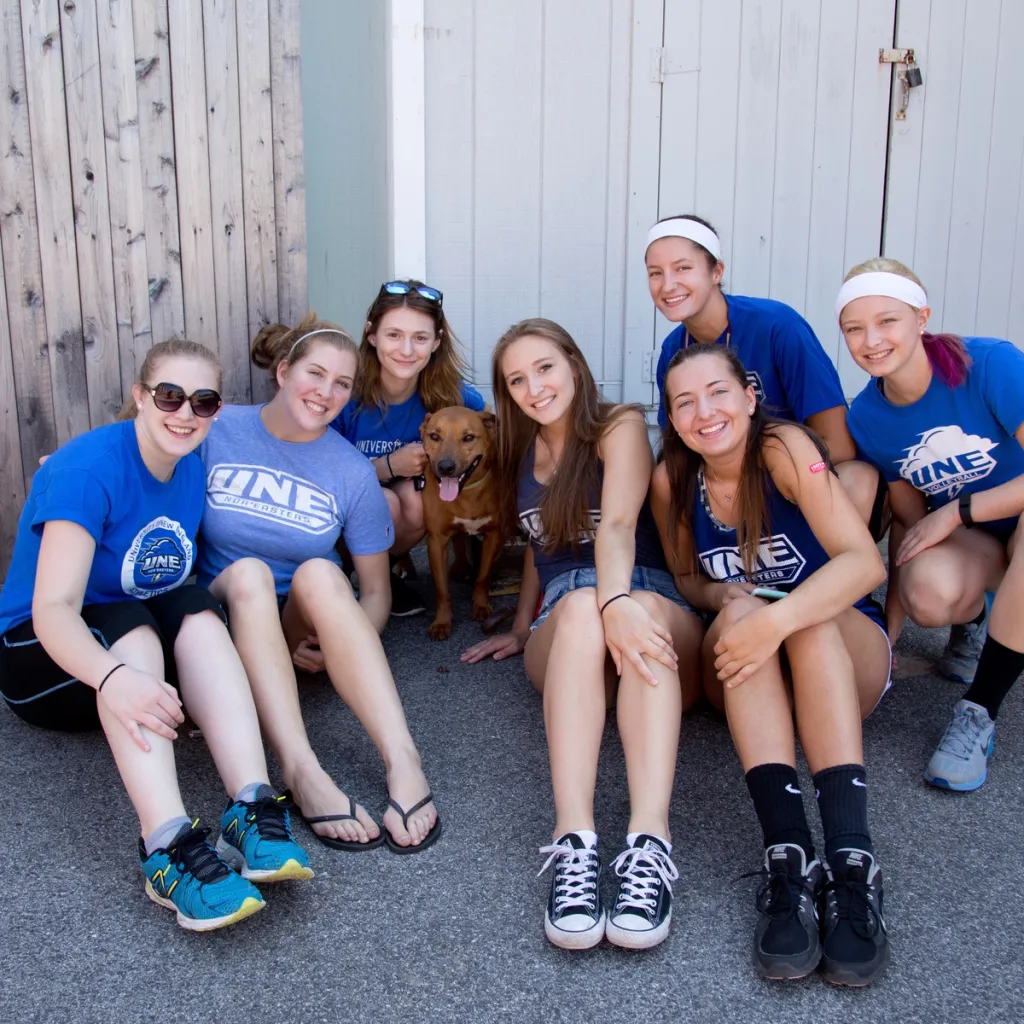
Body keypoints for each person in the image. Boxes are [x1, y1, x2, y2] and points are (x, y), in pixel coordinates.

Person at [0, 341, 312, 932]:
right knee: (137, 631)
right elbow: (54, 611)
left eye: (203, 400)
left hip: (121, 626)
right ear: (140, 398)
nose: (185, 412)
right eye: (170, 395)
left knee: (196, 611)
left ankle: (250, 804)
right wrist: (115, 678)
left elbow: (159, 577)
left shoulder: (187, 464)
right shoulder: (87, 470)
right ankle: (164, 846)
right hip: (36, 656)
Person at [651, 343, 891, 986]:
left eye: (719, 392)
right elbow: (684, 578)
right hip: (748, 665)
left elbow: (865, 563)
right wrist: (722, 595)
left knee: (800, 623)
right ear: (671, 419)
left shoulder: (783, 450)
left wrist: (777, 618)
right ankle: (788, 859)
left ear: (750, 397)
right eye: (685, 402)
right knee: (737, 616)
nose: (705, 412)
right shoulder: (673, 478)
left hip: (839, 650)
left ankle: (850, 862)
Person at [461, 318, 703, 952]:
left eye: (544, 367)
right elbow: (542, 555)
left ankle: (650, 844)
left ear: (573, 363)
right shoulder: (518, 457)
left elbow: (619, 524)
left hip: (644, 598)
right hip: (568, 626)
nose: (533, 386)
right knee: (574, 610)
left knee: (630, 609)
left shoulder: (617, 426)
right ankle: (575, 845)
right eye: (516, 379)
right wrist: (520, 628)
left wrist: (617, 599)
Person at [197, 313, 441, 853]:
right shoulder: (218, 429)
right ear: (283, 372)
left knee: (323, 572)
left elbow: (375, 590)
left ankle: (404, 760)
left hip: (288, 630)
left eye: (343, 383)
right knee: (250, 574)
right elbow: (145, 442)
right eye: (315, 374)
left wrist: (336, 647)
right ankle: (301, 771)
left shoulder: (350, 470)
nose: (326, 392)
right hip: (214, 623)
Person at [840, 258, 1024, 792]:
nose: (871, 340)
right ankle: (975, 623)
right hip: (984, 547)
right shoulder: (867, 419)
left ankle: (978, 710)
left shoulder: (990, 364)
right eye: (854, 327)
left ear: (922, 317)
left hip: (1000, 522)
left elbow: (942, 517)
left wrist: (960, 510)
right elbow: (909, 525)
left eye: (887, 321)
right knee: (929, 590)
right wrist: (889, 636)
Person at [645, 214, 885, 534]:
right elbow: (678, 453)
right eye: (655, 273)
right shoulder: (674, 351)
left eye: (683, 268)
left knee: (857, 477)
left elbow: (838, 446)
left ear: (717, 271)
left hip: (799, 483)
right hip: (728, 491)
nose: (668, 285)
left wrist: (772, 479)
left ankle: (840, 573)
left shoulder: (776, 326)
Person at [331, 280, 485, 615]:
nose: (406, 350)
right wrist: (387, 466)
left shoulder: (456, 398)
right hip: (335, 512)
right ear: (371, 335)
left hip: (402, 506)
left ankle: (374, 576)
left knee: (419, 501)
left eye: (420, 337)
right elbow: (317, 477)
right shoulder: (343, 392)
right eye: (394, 335)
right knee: (382, 499)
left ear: (436, 343)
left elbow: (486, 438)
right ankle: (340, 573)